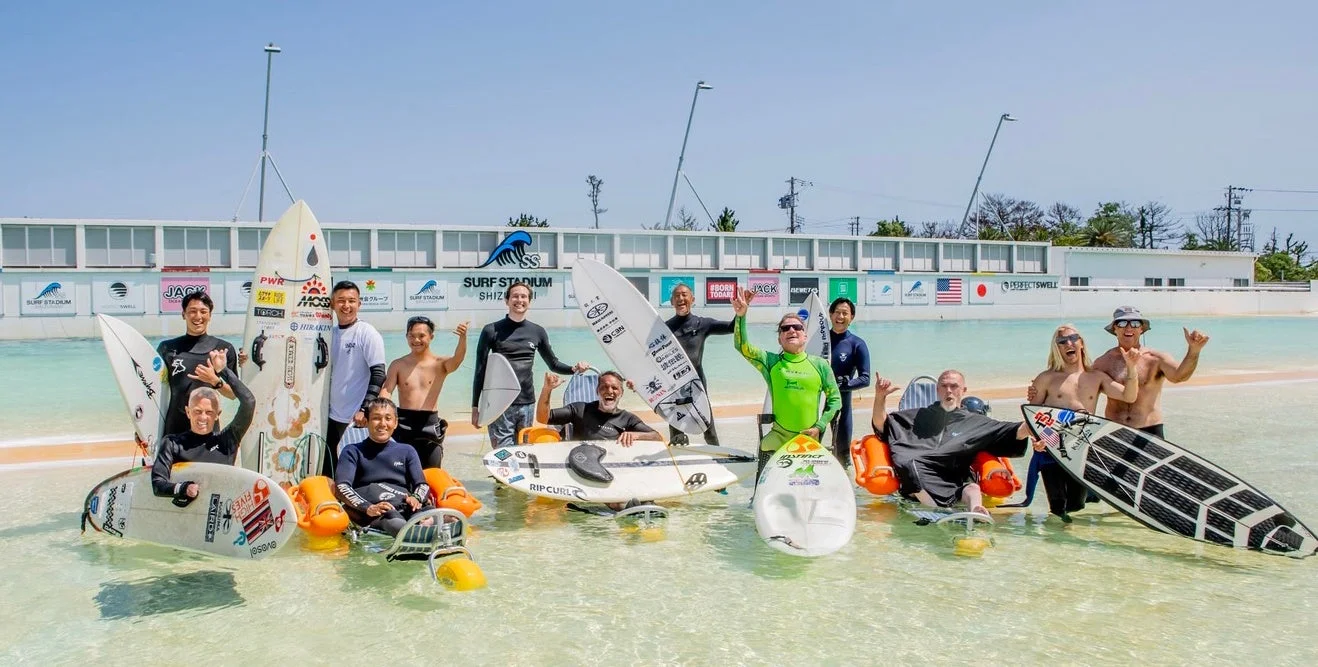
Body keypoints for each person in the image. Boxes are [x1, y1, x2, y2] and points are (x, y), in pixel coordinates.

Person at [1008, 324, 1141, 519]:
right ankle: (1055, 542)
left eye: (1072, 338)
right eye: (1062, 341)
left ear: (1081, 343)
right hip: (1051, 450)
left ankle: (1090, 499)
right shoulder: (1046, 379)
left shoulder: (1096, 377)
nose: (1068, 343)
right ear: (1057, 348)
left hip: (1081, 449)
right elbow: (1033, 415)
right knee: (1058, 507)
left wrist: (1131, 366)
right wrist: (1037, 441)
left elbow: (1129, 396)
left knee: (1076, 506)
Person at [870, 370, 1031, 516]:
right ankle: (941, 512)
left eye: (954, 386)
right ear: (937, 390)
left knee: (972, 488)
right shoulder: (916, 416)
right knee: (909, 463)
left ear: (963, 391)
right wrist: (880, 397)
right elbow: (882, 425)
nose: (949, 390)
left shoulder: (974, 422)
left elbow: (1013, 431)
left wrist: (1034, 422)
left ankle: (976, 510)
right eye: (944, 386)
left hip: (954, 477)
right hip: (920, 477)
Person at [730, 287, 841, 477]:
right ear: (780, 339)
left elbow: (835, 400)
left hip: (808, 438)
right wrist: (741, 316)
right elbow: (742, 347)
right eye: (785, 328)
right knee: (766, 475)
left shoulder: (820, 365)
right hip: (778, 438)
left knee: (809, 484)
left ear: (805, 336)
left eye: (797, 327)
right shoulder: (771, 362)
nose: (791, 330)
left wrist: (819, 426)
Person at [471, 281, 590, 448]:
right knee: (502, 454)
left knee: (524, 451)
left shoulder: (537, 331)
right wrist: (475, 407)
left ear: (529, 301)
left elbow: (553, 364)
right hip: (499, 401)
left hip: (527, 402)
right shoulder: (491, 330)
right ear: (507, 300)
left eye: (523, 296)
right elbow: (480, 370)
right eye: (515, 296)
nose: (519, 300)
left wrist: (574, 369)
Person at [151, 350, 254, 506]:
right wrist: (183, 488)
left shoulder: (228, 440)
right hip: (185, 516)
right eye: (197, 411)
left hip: (220, 512)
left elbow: (249, 403)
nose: (203, 417)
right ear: (188, 412)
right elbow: (158, 483)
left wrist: (222, 371)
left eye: (209, 412)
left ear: (217, 414)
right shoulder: (173, 444)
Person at [1092, 306, 1210, 438]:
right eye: (1122, 323)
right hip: (1115, 431)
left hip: (1150, 431)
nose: (1129, 328)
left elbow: (1179, 377)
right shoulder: (1102, 362)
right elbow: (1086, 392)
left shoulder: (1156, 359)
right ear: (1115, 328)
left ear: (1141, 329)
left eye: (1135, 323)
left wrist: (1193, 351)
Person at [333, 398, 435, 536]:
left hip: (407, 507)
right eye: (376, 418)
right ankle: (417, 535)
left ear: (395, 422)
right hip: (377, 514)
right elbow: (342, 487)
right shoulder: (352, 451)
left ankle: (424, 531)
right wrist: (367, 507)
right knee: (395, 522)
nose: (383, 424)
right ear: (367, 421)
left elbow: (421, 484)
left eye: (388, 418)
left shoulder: (407, 451)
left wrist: (417, 497)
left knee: (449, 518)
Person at [381, 316, 468, 469]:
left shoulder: (439, 364)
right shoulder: (398, 364)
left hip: (429, 425)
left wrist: (462, 338)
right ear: (406, 336)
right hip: (404, 423)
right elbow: (387, 390)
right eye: (411, 336)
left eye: (421, 336)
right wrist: (380, 413)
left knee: (432, 471)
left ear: (431, 337)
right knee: (403, 471)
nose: (416, 340)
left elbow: (457, 360)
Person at [326, 280, 387, 475]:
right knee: (330, 469)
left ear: (359, 304)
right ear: (332, 304)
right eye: (341, 300)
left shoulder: (367, 333)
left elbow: (379, 374)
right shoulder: (329, 334)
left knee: (358, 472)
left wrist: (366, 408)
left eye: (351, 301)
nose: (346, 306)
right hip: (330, 416)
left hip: (356, 419)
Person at [157, 292, 238, 436]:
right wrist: (143, 427)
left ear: (210, 315)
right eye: (192, 311)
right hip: (174, 432)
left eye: (203, 311)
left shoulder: (223, 350)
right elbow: (153, 390)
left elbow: (233, 394)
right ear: (183, 314)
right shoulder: (167, 348)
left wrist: (215, 381)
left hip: (208, 430)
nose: (198, 316)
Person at [664, 282, 735, 445]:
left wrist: (741, 313)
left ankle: (718, 458)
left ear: (692, 299)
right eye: (677, 296)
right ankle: (678, 461)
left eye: (684, 294)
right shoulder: (665, 328)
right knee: (676, 432)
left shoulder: (702, 324)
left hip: (697, 384)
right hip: (673, 386)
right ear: (672, 302)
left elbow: (732, 327)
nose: (680, 298)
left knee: (709, 429)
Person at [536, 370, 663, 446]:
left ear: (621, 393)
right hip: (580, 461)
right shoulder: (580, 409)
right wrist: (547, 389)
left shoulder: (627, 418)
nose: (609, 391)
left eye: (615, 388)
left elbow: (657, 437)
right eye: (604, 387)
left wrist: (636, 436)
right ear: (597, 391)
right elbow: (543, 418)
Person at [827, 297, 871, 467]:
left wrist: (846, 385)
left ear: (851, 317)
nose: (840, 316)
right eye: (837, 312)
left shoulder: (857, 344)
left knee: (842, 454)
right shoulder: (818, 341)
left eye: (845, 313)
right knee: (811, 446)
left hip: (842, 403)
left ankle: (845, 486)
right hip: (817, 402)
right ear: (830, 315)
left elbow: (865, 378)